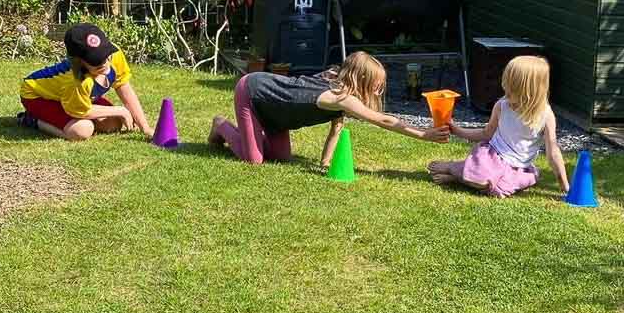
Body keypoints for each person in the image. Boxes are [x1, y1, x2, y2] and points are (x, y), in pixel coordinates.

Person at [208, 51, 449, 166]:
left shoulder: (342, 93)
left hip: (276, 113)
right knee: (254, 161)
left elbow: (336, 130)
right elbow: (383, 120)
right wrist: (424, 134)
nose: (379, 90)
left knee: (281, 158)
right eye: (376, 85)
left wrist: (325, 163)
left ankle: (254, 134)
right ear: (361, 79)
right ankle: (221, 125)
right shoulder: (340, 96)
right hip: (254, 92)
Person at [427, 56, 569, 198]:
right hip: (493, 156)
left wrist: (563, 183)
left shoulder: (546, 115)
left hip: (519, 167)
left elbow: (553, 152)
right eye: (506, 84)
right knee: (482, 179)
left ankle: (460, 176)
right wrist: (458, 131)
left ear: (529, 91)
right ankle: (453, 168)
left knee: (499, 190)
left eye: (511, 88)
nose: (505, 90)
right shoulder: (502, 105)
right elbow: (486, 133)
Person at [18, 23, 153, 141]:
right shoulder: (77, 80)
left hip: (70, 97)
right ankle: (32, 119)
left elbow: (124, 87)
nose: (105, 63)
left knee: (113, 124)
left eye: (106, 55)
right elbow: (77, 111)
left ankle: (63, 119)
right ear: (79, 62)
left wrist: (145, 127)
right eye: (96, 61)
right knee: (82, 130)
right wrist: (120, 110)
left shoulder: (115, 54)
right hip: (36, 95)